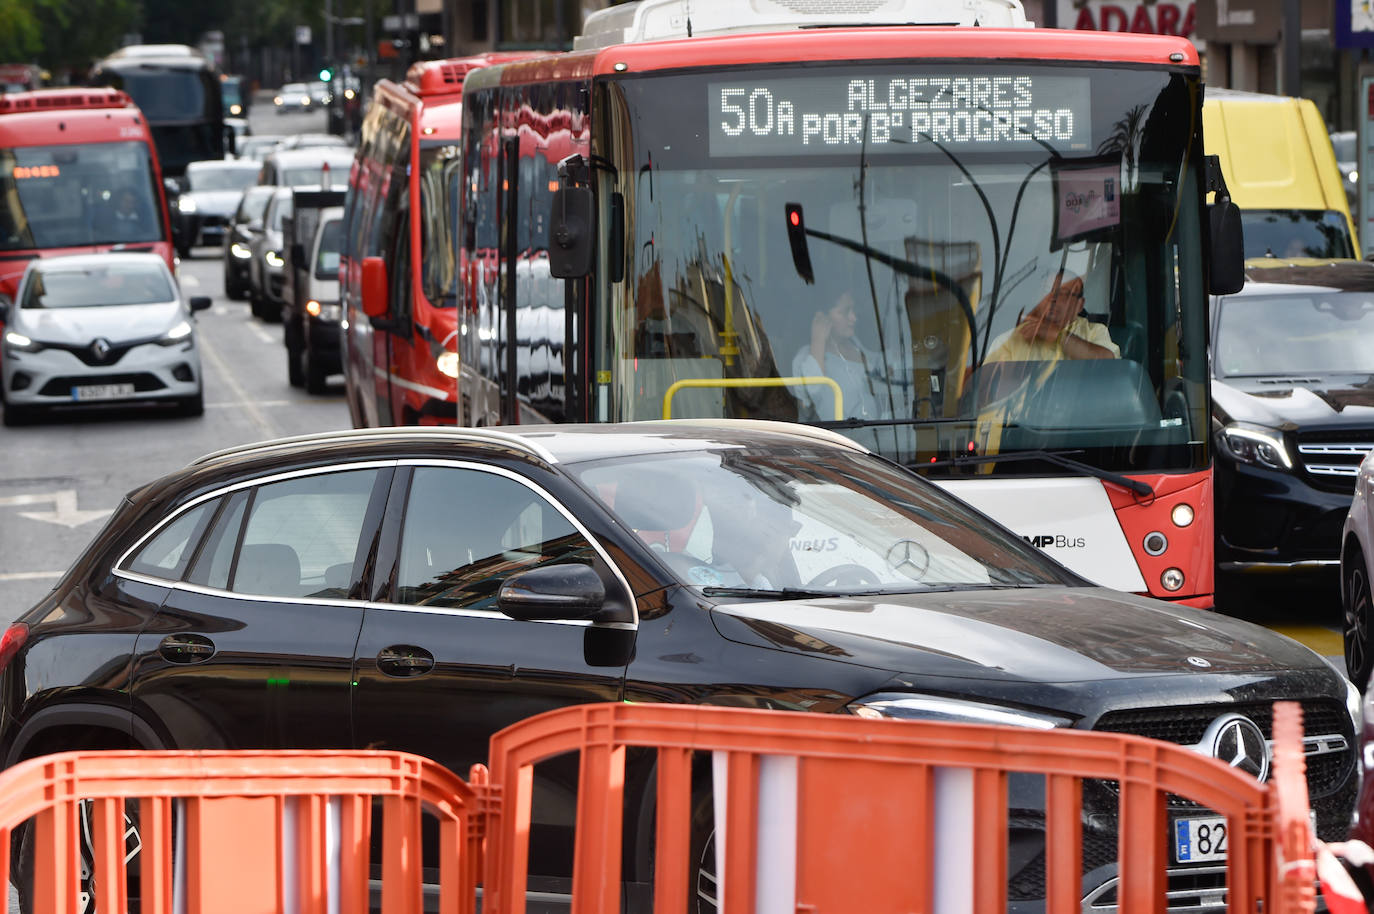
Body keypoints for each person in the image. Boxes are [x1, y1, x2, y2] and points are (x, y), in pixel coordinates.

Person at [984, 270, 1119, 364]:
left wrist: (1059, 335)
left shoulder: (1094, 332)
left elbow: (1107, 365)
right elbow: (986, 394)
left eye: (1064, 293)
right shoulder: (1009, 339)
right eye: (1047, 290)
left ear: (1079, 305)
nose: (1052, 298)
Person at [791, 291, 884, 421]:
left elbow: (877, 364)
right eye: (845, 312)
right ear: (822, 318)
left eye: (853, 310)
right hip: (839, 437)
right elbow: (814, 391)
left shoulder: (854, 343)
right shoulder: (804, 358)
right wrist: (818, 340)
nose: (853, 317)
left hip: (875, 432)